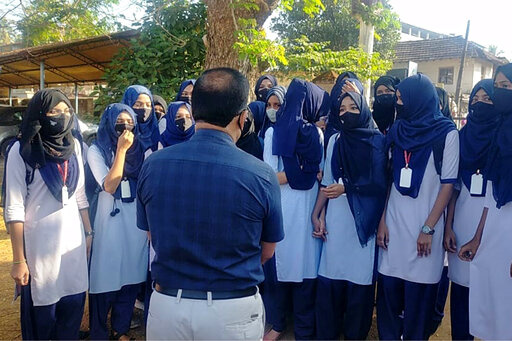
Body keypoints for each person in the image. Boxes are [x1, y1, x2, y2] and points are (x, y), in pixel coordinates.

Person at [137, 67, 284, 340]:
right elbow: (267, 252)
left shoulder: (153, 165)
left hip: (167, 307)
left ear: (193, 112)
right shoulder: (261, 174)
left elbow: (151, 236)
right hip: (232, 311)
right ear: (242, 118)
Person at [377, 74, 459, 340]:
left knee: (418, 304)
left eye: (401, 99)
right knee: (389, 300)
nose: (397, 104)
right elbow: (388, 178)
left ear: (419, 100)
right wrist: (382, 220)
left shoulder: (446, 134)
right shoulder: (397, 130)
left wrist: (428, 227)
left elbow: (447, 185)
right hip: (393, 226)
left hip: (425, 230)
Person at [5, 89, 90, 340]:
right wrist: (19, 260)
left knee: (72, 309)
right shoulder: (22, 151)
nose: (61, 117)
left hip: (73, 245)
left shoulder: (74, 147)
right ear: (40, 114)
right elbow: (14, 207)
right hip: (39, 248)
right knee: (43, 314)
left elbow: (80, 194)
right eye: (54, 111)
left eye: (66, 111)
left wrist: (88, 232)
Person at [312, 91, 388, 340]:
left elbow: (379, 184)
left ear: (364, 109)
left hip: (362, 224)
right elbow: (329, 183)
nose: (346, 113)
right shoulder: (335, 140)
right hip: (336, 220)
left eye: (352, 107)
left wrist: (348, 188)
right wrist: (317, 214)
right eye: (342, 109)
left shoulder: (377, 141)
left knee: (359, 283)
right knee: (331, 280)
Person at [262, 78, 327, 340]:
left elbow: (321, 172)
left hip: (306, 212)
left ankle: (303, 331)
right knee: (280, 267)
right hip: (283, 211)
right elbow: (269, 175)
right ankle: (277, 324)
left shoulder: (316, 134)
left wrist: (302, 172)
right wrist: (303, 172)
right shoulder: (272, 133)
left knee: (305, 271)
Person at [458, 63, 512, 340]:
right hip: (495, 231)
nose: (502, 93)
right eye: (499, 86)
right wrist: (477, 238)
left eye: (506, 87)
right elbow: (491, 195)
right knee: (496, 310)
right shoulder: (501, 132)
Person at [87, 103, 149, 341]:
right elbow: (109, 185)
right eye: (119, 123)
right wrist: (121, 151)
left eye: (130, 122)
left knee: (132, 272)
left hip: (134, 217)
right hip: (107, 218)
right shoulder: (97, 150)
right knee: (105, 275)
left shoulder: (142, 149)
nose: (125, 128)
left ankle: (120, 329)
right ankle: (99, 332)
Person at [443, 79, 497, 340]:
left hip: (492, 227)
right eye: (476, 98)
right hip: (462, 223)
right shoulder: (461, 137)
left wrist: (480, 235)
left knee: (488, 295)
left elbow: (496, 193)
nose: (480, 103)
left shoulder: (503, 139)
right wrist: (449, 226)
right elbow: (453, 187)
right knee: (461, 291)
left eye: (488, 99)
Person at [325, 77, 364, 144]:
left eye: (353, 108)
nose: (348, 111)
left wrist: (357, 96)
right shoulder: (332, 138)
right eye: (341, 97)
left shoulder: (375, 138)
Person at [122, 85, 160, 154]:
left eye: (148, 105)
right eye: (138, 105)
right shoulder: (119, 134)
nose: (144, 109)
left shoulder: (157, 133)